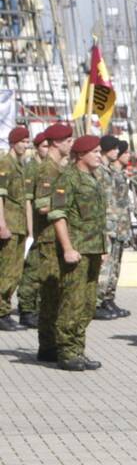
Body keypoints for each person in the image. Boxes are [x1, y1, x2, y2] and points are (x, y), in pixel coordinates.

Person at [49, 135, 107, 371]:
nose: (99, 155)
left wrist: (103, 248)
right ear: (81, 154)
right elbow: (58, 215)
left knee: (87, 304)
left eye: (100, 151)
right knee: (72, 302)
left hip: (93, 249)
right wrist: (67, 248)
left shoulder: (93, 178)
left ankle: (78, 349)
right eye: (95, 152)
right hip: (77, 249)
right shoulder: (68, 178)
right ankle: (66, 351)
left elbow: (97, 217)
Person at [32, 122, 75, 363]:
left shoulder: (58, 168)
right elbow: (41, 205)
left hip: (57, 239)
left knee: (57, 293)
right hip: (48, 240)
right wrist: (67, 205)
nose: (71, 144)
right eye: (67, 140)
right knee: (50, 293)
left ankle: (51, 344)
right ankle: (48, 345)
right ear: (57, 143)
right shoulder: (47, 170)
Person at [93, 136, 133, 320]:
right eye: (115, 149)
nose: (118, 153)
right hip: (107, 226)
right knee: (104, 266)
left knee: (113, 267)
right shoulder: (100, 172)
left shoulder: (110, 172)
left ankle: (107, 298)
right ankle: (96, 302)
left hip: (117, 225)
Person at [16, 131, 50, 328]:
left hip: (44, 227)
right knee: (31, 269)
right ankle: (26, 309)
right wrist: (30, 229)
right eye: (44, 146)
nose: (47, 149)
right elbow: (28, 200)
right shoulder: (32, 168)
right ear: (38, 148)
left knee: (40, 269)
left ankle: (35, 307)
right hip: (34, 225)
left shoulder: (46, 168)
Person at [0, 126, 31, 330]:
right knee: (6, 271)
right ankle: (2, 313)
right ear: (13, 142)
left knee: (15, 271)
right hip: (9, 224)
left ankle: (5, 310)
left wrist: (29, 227)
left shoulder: (20, 165)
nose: (26, 145)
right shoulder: (5, 164)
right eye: (22, 142)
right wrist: (2, 225)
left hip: (18, 225)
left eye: (27, 142)